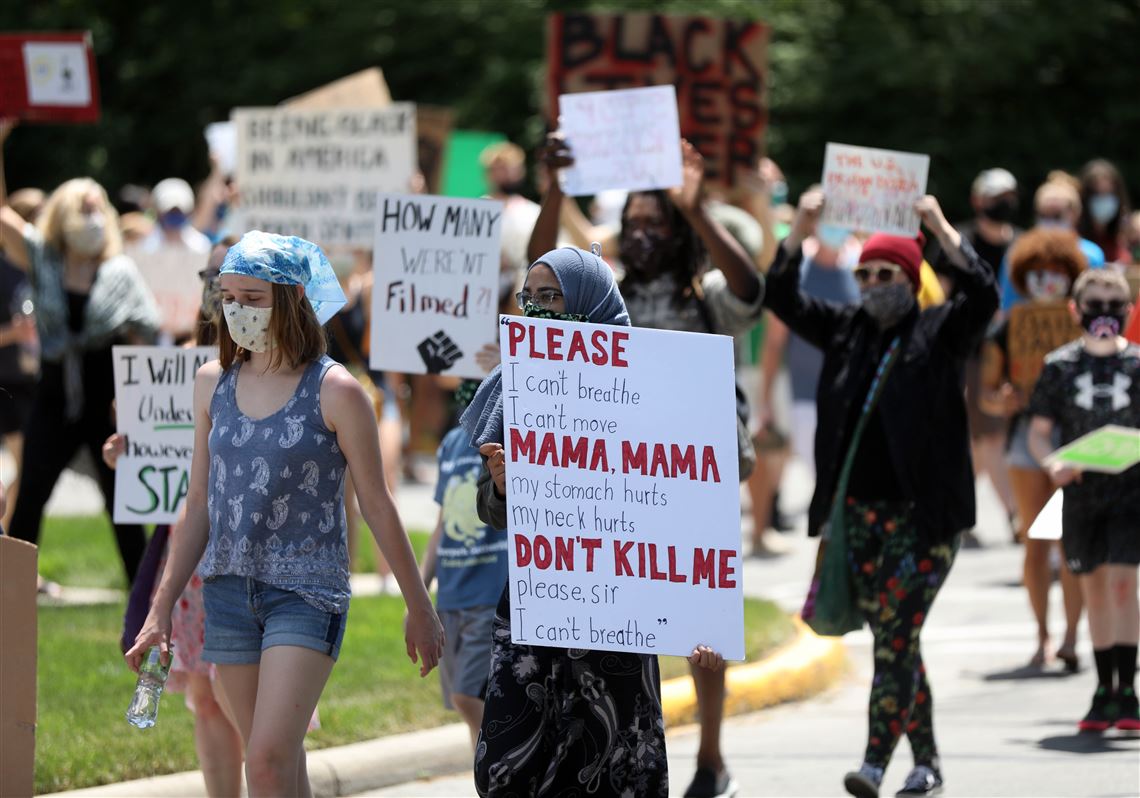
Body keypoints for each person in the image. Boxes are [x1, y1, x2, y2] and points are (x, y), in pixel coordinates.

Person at [126, 231, 444, 797]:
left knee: (268, 761)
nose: (236, 311)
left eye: (252, 298)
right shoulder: (211, 384)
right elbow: (198, 505)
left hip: (306, 592)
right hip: (228, 591)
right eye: (228, 297)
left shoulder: (337, 391)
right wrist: (160, 608)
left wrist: (419, 605)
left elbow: (377, 503)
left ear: (293, 298)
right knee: (274, 765)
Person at [529, 137, 763, 798]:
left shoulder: (704, 293)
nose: (641, 234)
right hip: (621, 480)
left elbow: (752, 290)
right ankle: (629, 752)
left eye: (655, 223)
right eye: (631, 224)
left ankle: (711, 758)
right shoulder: (608, 293)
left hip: (693, 480)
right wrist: (555, 189)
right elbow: (539, 275)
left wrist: (697, 208)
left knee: (702, 627)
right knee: (623, 627)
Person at [466, 246, 725, 797]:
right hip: (537, 611)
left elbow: (685, 506)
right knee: (507, 772)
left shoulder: (654, 381)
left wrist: (699, 618)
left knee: (613, 770)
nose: (537, 310)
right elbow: (491, 512)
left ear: (590, 300)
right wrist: (504, 486)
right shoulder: (518, 383)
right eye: (528, 298)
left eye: (552, 297)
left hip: (618, 622)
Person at [768, 189, 998, 798]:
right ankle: (928, 765)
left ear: (911, 277)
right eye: (864, 273)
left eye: (886, 273)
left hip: (926, 521)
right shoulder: (845, 329)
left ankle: (873, 764)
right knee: (899, 640)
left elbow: (984, 294)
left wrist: (939, 228)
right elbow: (781, 297)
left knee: (895, 637)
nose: (872, 283)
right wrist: (801, 230)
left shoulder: (940, 330)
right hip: (858, 519)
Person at [0, 176, 160, 588]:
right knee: (29, 498)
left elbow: (146, 333)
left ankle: (144, 604)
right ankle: (12, 596)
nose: (92, 218)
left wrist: (136, 398)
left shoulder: (120, 271)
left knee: (123, 508)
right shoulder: (43, 260)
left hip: (108, 403)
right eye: (83, 209)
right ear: (63, 215)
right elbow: (3, 216)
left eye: (97, 209)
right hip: (54, 398)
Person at [1027, 268, 1139, 731]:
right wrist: (1052, 463)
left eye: (1115, 305)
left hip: (1131, 493)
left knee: (1123, 586)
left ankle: (1128, 690)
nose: (1104, 314)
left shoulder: (1137, 365)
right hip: (1080, 495)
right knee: (1093, 588)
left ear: (1129, 310)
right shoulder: (1059, 366)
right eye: (1095, 304)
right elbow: (1038, 432)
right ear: (1075, 310)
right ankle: (1103, 688)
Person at [980, 228, 1086, 670]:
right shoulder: (1008, 327)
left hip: (1075, 438)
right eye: (1038, 271)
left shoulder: (1084, 321)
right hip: (1025, 440)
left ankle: (1072, 636)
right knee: (1036, 543)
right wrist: (1002, 400)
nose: (1047, 279)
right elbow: (986, 394)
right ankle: (1042, 635)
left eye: (1056, 271)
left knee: (1073, 542)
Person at [420, 379, 509, 749]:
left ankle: (505, 759)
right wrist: (419, 592)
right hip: (451, 598)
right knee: (467, 706)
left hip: (488, 595)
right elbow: (442, 524)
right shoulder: (450, 445)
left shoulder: (501, 439)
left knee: (467, 696)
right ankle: (487, 774)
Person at [1000, 177, 1105, 311]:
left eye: (1057, 215)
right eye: (1043, 215)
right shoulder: (1017, 253)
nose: (1050, 221)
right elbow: (1008, 305)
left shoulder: (1091, 255)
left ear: (1075, 214)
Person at [1077, 159, 1133, 265]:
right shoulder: (1076, 242)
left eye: (1108, 193)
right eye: (1096, 194)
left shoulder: (1128, 236)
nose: (1103, 200)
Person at [139, 177, 212, 255]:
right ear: (157, 211)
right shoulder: (145, 247)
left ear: (189, 212)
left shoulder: (201, 247)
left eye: (179, 211)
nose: (175, 215)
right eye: (170, 211)